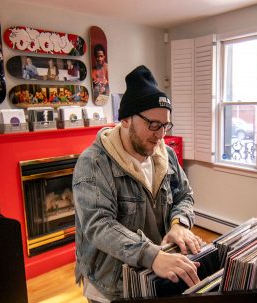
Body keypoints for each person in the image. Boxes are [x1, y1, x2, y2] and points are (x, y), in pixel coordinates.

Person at [73, 65, 203, 303]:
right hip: (111, 285)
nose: (160, 135)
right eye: (153, 125)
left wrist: (179, 224)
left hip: (155, 275)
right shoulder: (93, 162)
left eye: (165, 126)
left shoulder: (166, 155)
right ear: (125, 119)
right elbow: (99, 225)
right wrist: (151, 255)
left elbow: (184, 195)